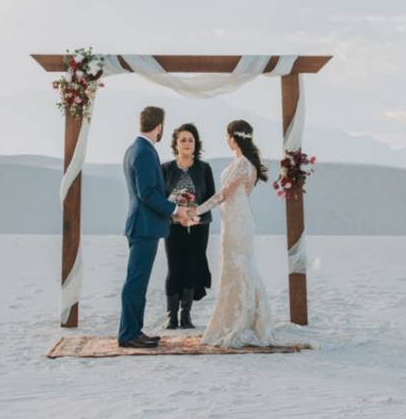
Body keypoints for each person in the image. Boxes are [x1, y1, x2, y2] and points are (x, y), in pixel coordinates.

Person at [190, 120, 286, 347]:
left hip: (238, 221)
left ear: (235, 137)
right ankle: (236, 317)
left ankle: (241, 321)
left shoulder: (243, 163)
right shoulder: (242, 161)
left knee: (239, 267)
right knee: (234, 267)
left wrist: (199, 210)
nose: (226, 139)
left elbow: (225, 193)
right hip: (233, 219)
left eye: (227, 135)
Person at [117, 106, 196, 349]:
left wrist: (174, 201)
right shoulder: (143, 151)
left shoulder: (135, 149)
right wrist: (175, 211)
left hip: (145, 225)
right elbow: (147, 194)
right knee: (136, 282)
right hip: (144, 227)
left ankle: (134, 331)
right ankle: (128, 335)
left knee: (137, 282)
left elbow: (150, 192)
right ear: (159, 126)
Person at [161, 123, 215, 329]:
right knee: (174, 268)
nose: (187, 143)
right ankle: (171, 316)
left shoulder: (204, 168)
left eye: (191, 140)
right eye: (183, 140)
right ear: (175, 143)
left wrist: (195, 213)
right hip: (173, 225)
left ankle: (186, 316)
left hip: (199, 226)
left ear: (196, 144)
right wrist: (177, 213)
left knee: (192, 267)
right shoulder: (165, 168)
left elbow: (211, 197)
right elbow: (160, 197)